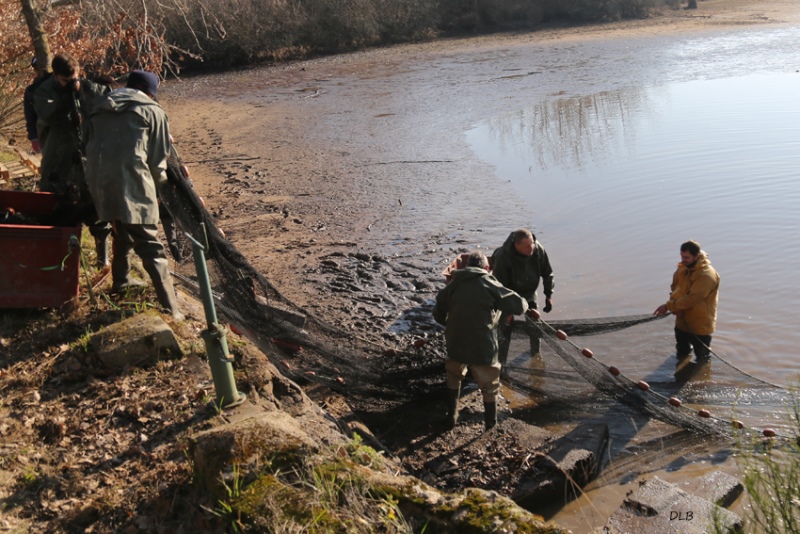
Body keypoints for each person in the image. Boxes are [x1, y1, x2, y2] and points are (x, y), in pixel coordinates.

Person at [84, 70, 183, 319]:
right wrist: (161, 189)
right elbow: (158, 160)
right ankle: (172, 311)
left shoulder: (99, 107)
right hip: (131, 182)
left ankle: (122, 281)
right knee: (151, 246)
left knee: (120, 228)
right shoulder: (154, 111)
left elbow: (86, 143)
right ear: (151, 93)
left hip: (98, 182)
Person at [433, 251, 528, 430]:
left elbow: (438, 312)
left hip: (456, 343)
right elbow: (519, 305)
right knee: (489, 385)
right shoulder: (490, 283)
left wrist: (450, 324)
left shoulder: (453, 285)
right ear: (486, 268)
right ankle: (490, 424)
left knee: (454, 377)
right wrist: (525, 302)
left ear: (467, 266)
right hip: (483, 345)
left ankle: (451, 418)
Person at [33, 53, 112, 266]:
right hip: (58, 160)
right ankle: (61, 259)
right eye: (65, 81)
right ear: (56, 76)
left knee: (96, 208)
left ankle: (102, 259)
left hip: (87, 157)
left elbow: (104, 100)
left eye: (75, 79)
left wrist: (90, 89)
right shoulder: (43, 91)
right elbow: (47, 113)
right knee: (58, 206)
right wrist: (66, 100)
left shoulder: (83, 85)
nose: (72, 84)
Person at [491, 228, 555, 363]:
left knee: (535, 326)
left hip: (530, 292)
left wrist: (548, 295)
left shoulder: (537, 249)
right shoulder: (503, 256)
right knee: (505, 328)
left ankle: (536, 356)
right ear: (516, 245)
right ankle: (501, 362)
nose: (531, 248)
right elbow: (500, 287)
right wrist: (507, 310)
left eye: (532, 243)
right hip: (509, 294)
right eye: (526, 246)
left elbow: (547, 273)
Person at [654, 240, 720, 362]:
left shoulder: (706, 275)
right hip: (682, 321)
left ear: (697, 256)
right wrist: (676, 307)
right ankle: (680, 375)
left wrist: (668, 306)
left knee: (702, 359)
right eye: (682, 256)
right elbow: (675, 288)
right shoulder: (683, 268)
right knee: (682, 352)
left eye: (687, 257)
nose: (683, 260)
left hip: (700, 325)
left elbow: (692, 299)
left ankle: (701, 378)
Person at [23, 57, 48, 154]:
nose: (40, 70)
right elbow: (30, 116)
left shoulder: (62, 86)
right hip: (42, 135)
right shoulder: (31, 91)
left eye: (43, 67)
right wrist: (34, 138)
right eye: (37, 67)